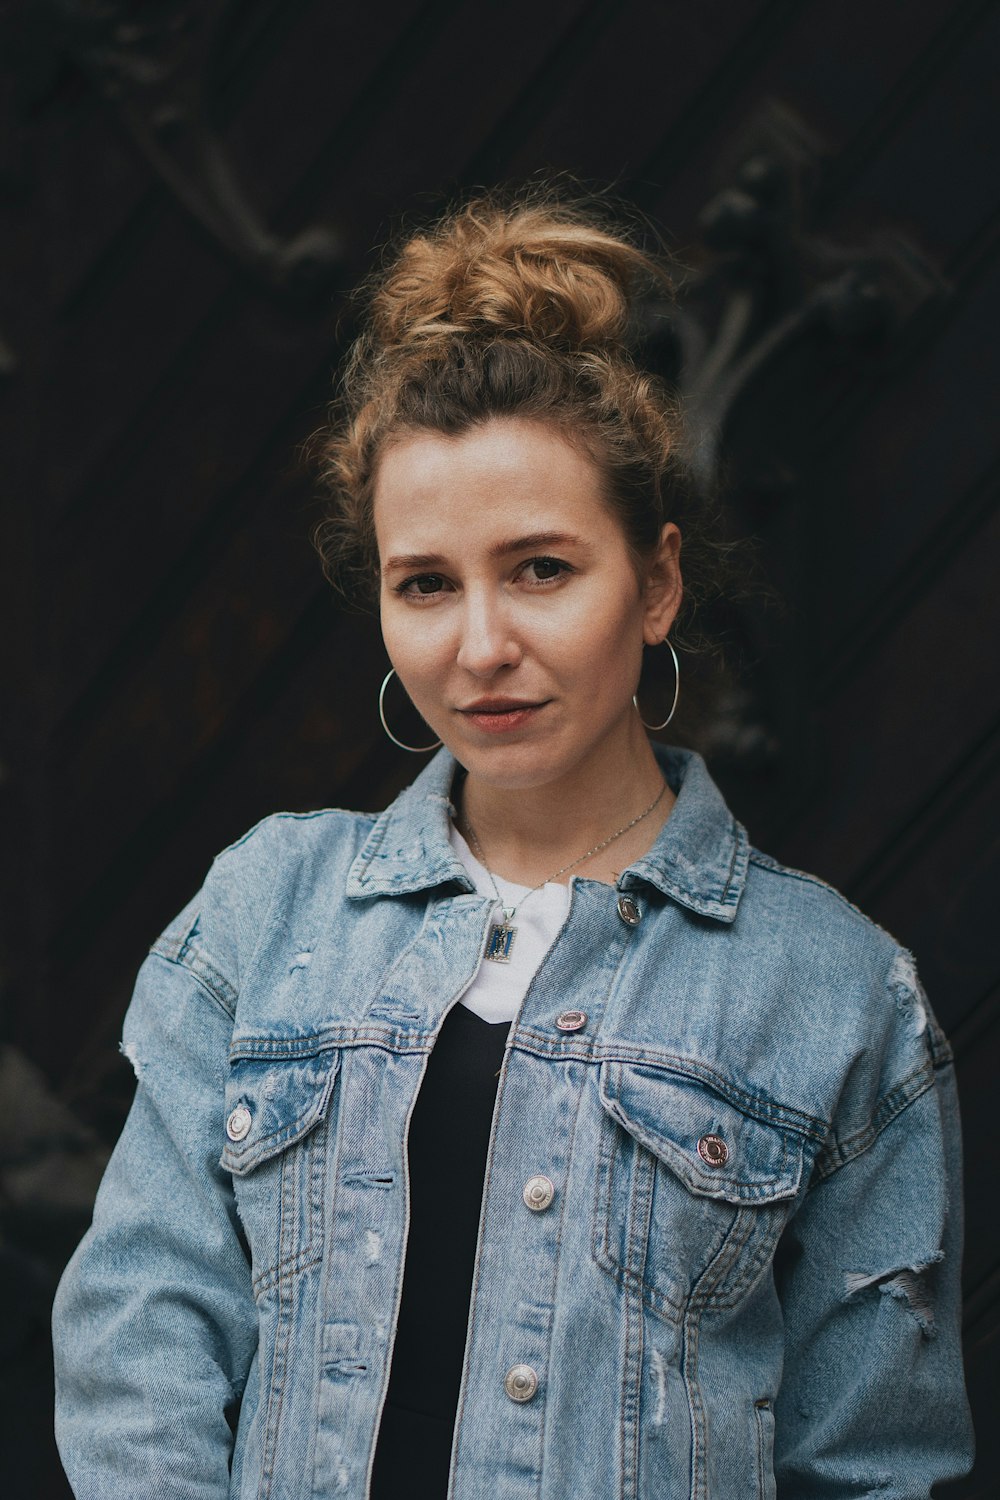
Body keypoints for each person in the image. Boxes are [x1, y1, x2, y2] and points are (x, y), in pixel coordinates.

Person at [52, 187, 973, 1499]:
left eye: (540, 568)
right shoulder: (267, 911)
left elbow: (872, 1465)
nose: (480, 645)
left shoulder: (833, 991)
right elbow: (141, 1332)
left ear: (654, 582)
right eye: (426, 583)